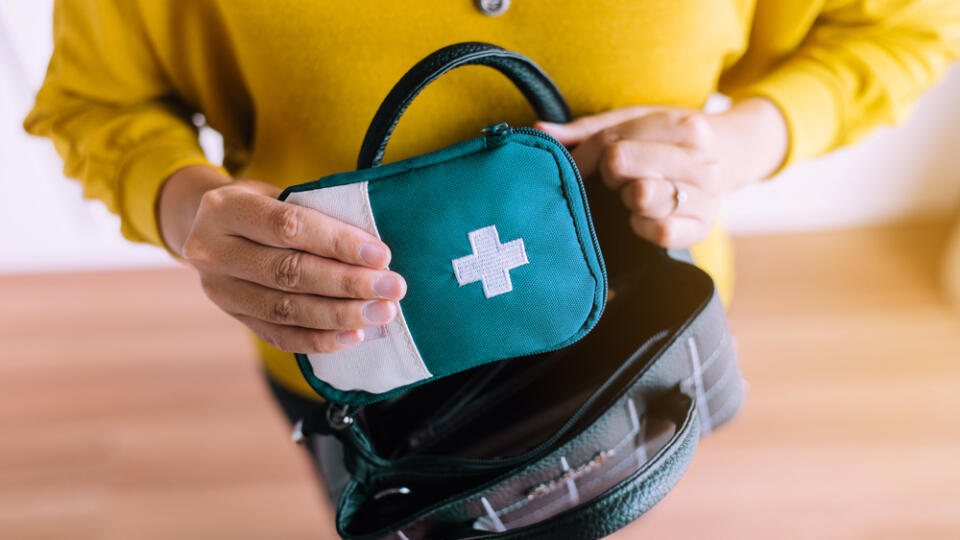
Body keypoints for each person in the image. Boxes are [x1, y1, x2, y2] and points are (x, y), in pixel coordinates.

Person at [25, 0, 958, 489]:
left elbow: (902, 26)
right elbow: (95, 102)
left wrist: (741, 143)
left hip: (629, 336)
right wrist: (188, 210)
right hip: (361, 362)